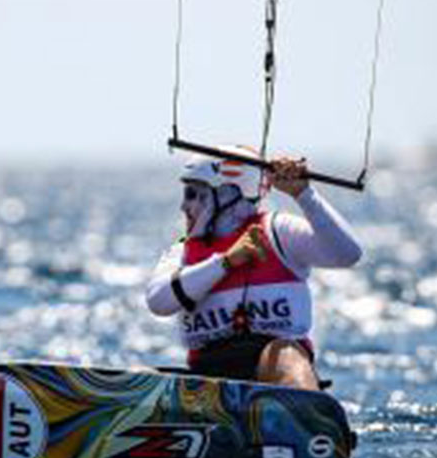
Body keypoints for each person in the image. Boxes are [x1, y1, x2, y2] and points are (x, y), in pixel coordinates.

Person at [145, 145, 363, 391]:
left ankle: (306, 416)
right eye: (186, 194)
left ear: (229, 195)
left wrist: (304, 194)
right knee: (140, 376)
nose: (184, 206)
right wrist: (226, 262)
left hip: (274, 372)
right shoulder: (181, 251)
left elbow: (348, 254)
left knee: (284, 353)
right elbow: (158, 301)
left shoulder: (277, 231)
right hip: (208, 380)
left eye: (196, 194)